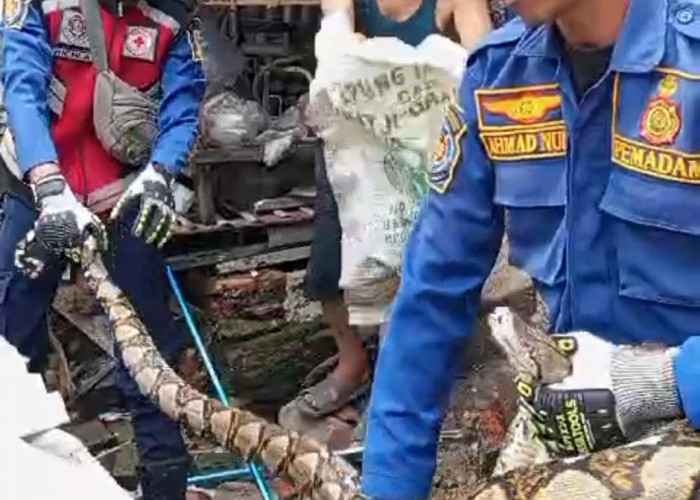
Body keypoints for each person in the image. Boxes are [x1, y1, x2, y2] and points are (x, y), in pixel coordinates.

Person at [359, 0, 700, 497]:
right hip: (583, 442)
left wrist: (671, 381)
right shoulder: (500, 77)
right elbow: (431, 295)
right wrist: (388, 486)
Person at [0, 0, 205, 498]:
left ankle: (165, 485)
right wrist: (49, 187)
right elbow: (21, 87)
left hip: (125, 195)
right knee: (10, 343)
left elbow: (184, 102)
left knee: (145, 353)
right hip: (38, 188)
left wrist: (162, 171)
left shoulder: (175, 15)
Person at [286, 0, 514, 427]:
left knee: (416, 272)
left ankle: (398, 387)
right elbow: (336, 50)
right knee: (328, 270)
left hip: (424, 148)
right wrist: (419, 61)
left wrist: (384, 62)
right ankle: (352, 364)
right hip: (359, 146)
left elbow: (484, 60)